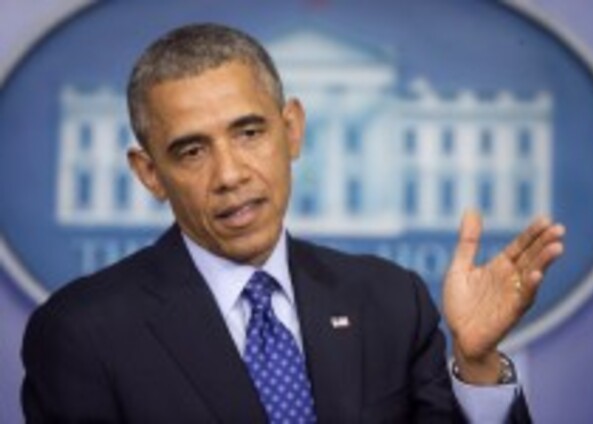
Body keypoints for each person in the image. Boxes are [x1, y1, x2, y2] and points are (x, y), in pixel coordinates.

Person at [21, 23, 565, 423]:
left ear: (292, 131)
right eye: (192, 151)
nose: (230, 174)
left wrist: (475, 365)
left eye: (249, 133)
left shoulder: (390, 301)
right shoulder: (81, 333)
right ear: (149, 174)